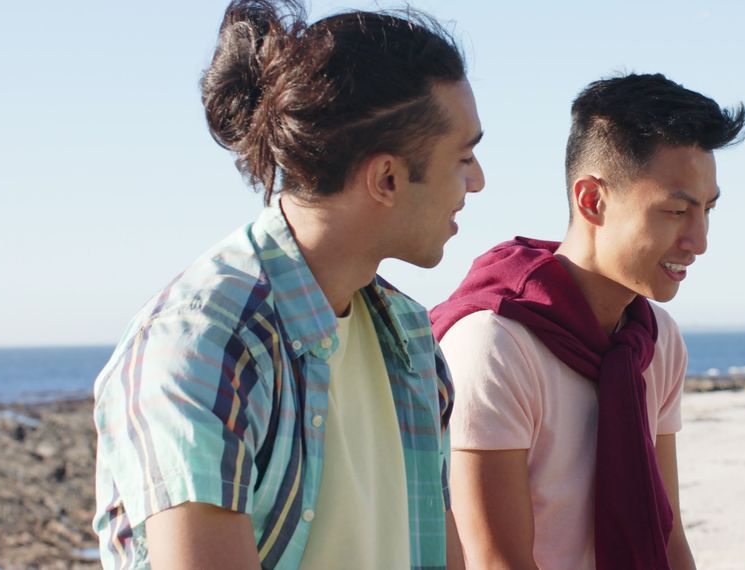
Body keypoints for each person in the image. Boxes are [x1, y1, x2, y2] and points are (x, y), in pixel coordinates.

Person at [91, 1, 484, 568]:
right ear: (387, 178)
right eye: (464, 157)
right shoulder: (206, 347)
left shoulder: (411, 338)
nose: (477, 182)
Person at [431, 73, 745, 569]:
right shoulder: (495, 344)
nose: (699, 240)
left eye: (707, 210)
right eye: (675, 211)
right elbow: (497, 562)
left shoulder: (656, 340)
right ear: (592, 201)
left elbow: (668, 538)